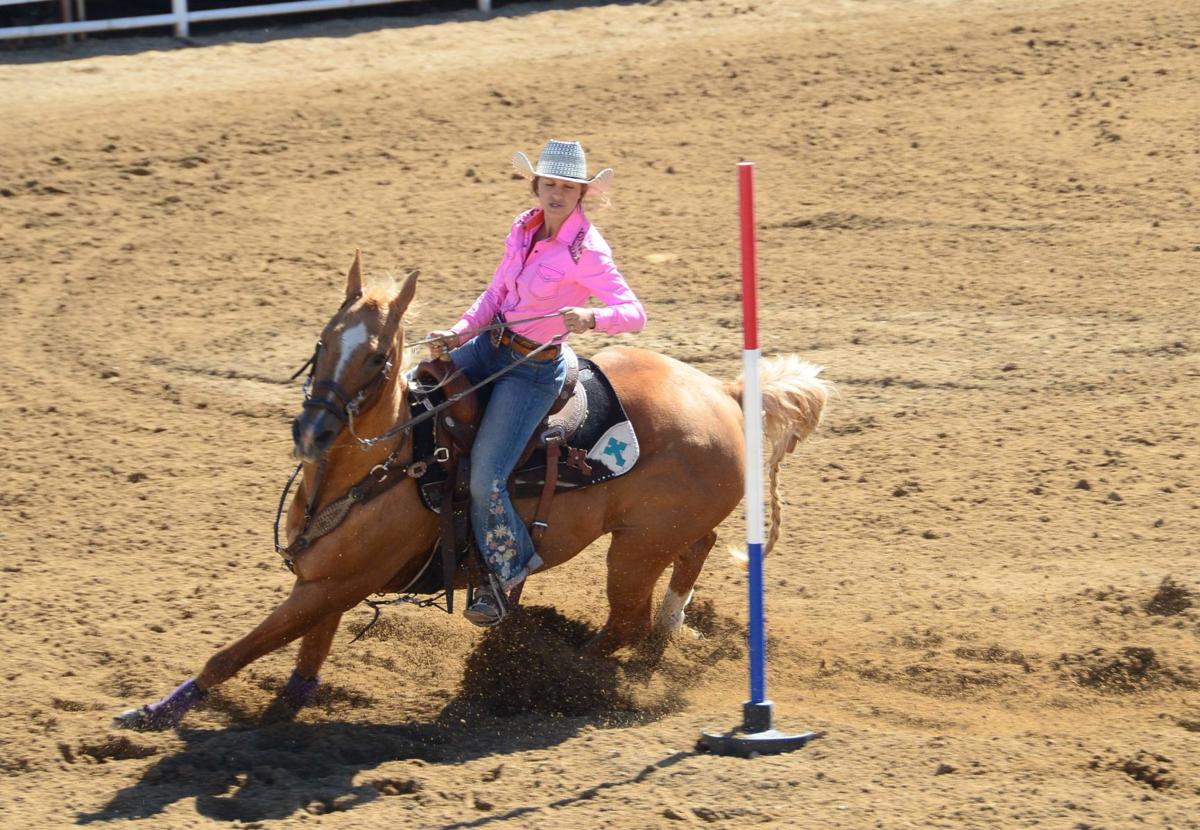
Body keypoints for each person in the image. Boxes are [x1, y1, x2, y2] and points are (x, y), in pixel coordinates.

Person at [428, 139, 646, 627]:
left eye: (568, 187)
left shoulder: (586, 249)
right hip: (489, 345)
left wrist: (591, 317)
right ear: (537, 185)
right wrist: (459, 331)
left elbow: (634, 314)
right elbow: (496, 292)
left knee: (488, 476)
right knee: (415, 397)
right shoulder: (522, 229)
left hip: (531, 371)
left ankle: (501, 577)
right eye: (550, 184)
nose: (557, 194)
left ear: (581, 194)